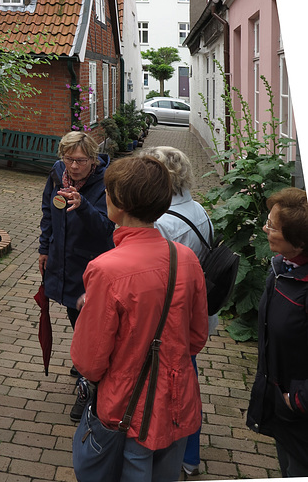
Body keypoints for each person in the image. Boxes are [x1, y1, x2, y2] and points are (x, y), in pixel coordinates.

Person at [71, 156, 208, 482]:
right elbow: (197, 337)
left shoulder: (107, 269)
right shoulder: (185, 258)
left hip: (126, 407)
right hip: (177, 403)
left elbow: (89, 362)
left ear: (118, 204)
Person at [144, 145, 216, 476]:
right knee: (189, 379)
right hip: (194, 316)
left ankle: (175, 454)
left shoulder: (162, 222)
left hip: (170, 322)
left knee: (174, 390)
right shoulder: (199, 210)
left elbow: (153, 281)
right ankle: (190, 454)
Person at [38, 131, 115, 420]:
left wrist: (82, 206)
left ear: (94, 159)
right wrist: (44, 247)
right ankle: (86, 362)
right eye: (68, 159)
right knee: (74, 312)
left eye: (80, 160)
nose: (73, 166)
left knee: (92, 322)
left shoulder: (107, 183)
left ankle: (89, 385)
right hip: (63, 259)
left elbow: (107, 227)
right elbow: (48, 210)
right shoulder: (58, 174)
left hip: (92, 263)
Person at [247, 187, 308, 478]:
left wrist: (299, 398)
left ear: (298, 241)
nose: (265, 228)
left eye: (272, 225)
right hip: (283, 405)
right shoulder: (282, 267)